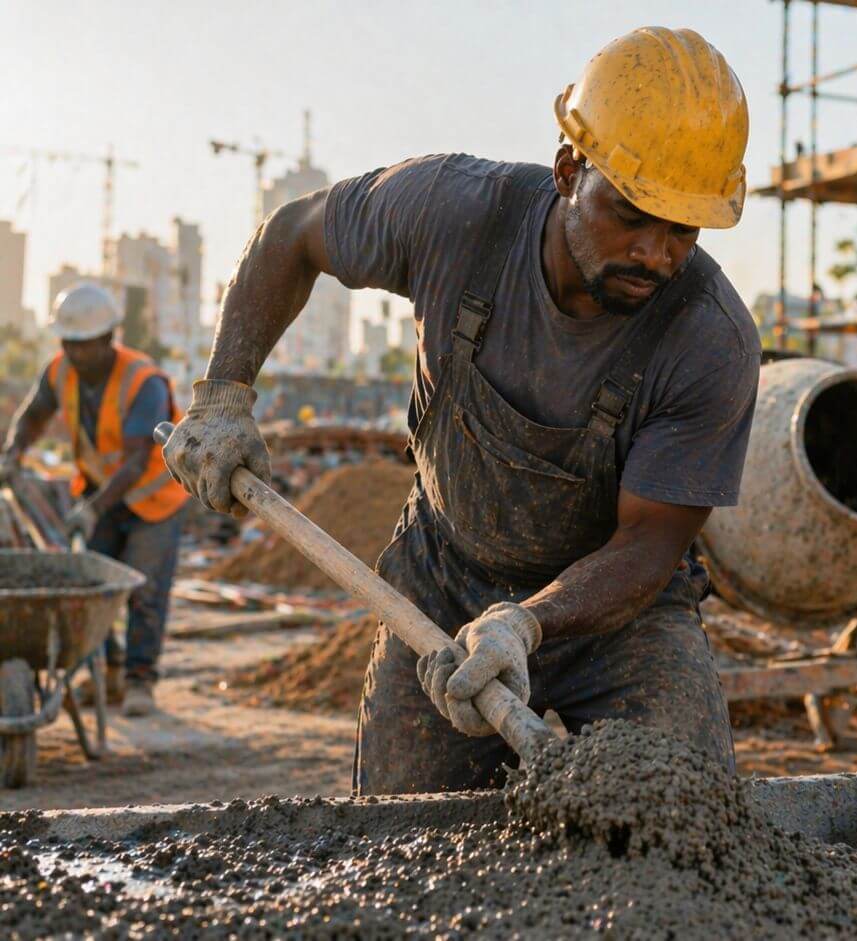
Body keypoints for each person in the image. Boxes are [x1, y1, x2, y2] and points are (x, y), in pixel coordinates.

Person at [160, 27, 760, 794]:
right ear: (569, 168)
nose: (657, 253)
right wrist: (223, 395)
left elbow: (649, 544)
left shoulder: (709, 337)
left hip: (622, 620)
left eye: (684, 228)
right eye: (632, 214)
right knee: (402, 837)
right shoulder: (454, 214)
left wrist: (524, 622)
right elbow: (295, 234)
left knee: (688, 821)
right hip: (443, 588)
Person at [0, 284, 190, 717]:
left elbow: (137, 459)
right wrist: (13, 453)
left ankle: (140, 680)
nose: (75, 354)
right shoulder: (60, 372)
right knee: (94, 592)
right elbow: (32, 416)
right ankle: (107, 674)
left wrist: (92, 509)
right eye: (68, 344)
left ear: (108, 339)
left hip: (154, 499)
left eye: (84, 345)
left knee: (145, 591)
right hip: (100, 496)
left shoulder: (144, 382)